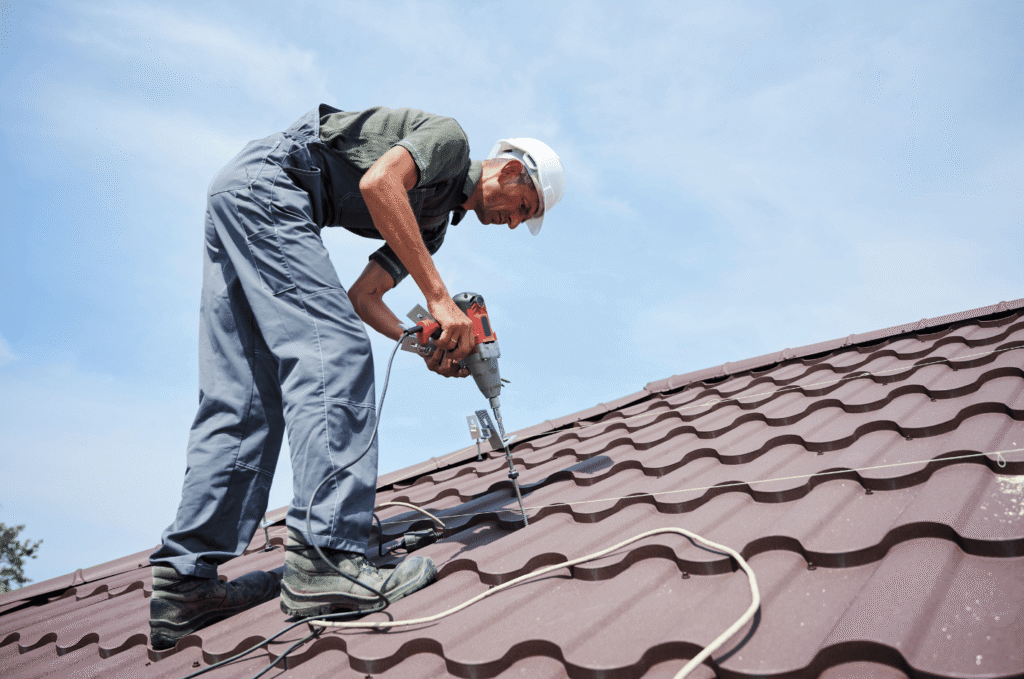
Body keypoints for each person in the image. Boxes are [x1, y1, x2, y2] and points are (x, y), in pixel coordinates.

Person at [146, 105, 565, 650]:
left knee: (246, 395)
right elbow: (379, 181)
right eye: (521, 209)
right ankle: (326, 558)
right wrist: (438, 298)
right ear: (511, 173)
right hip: (272, 185)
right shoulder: (450, 141)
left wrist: (420, 345)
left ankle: (185, 584)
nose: (511, 223)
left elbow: (364, 298)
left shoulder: (433, 226)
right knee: (334, 350)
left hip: (239, 194)